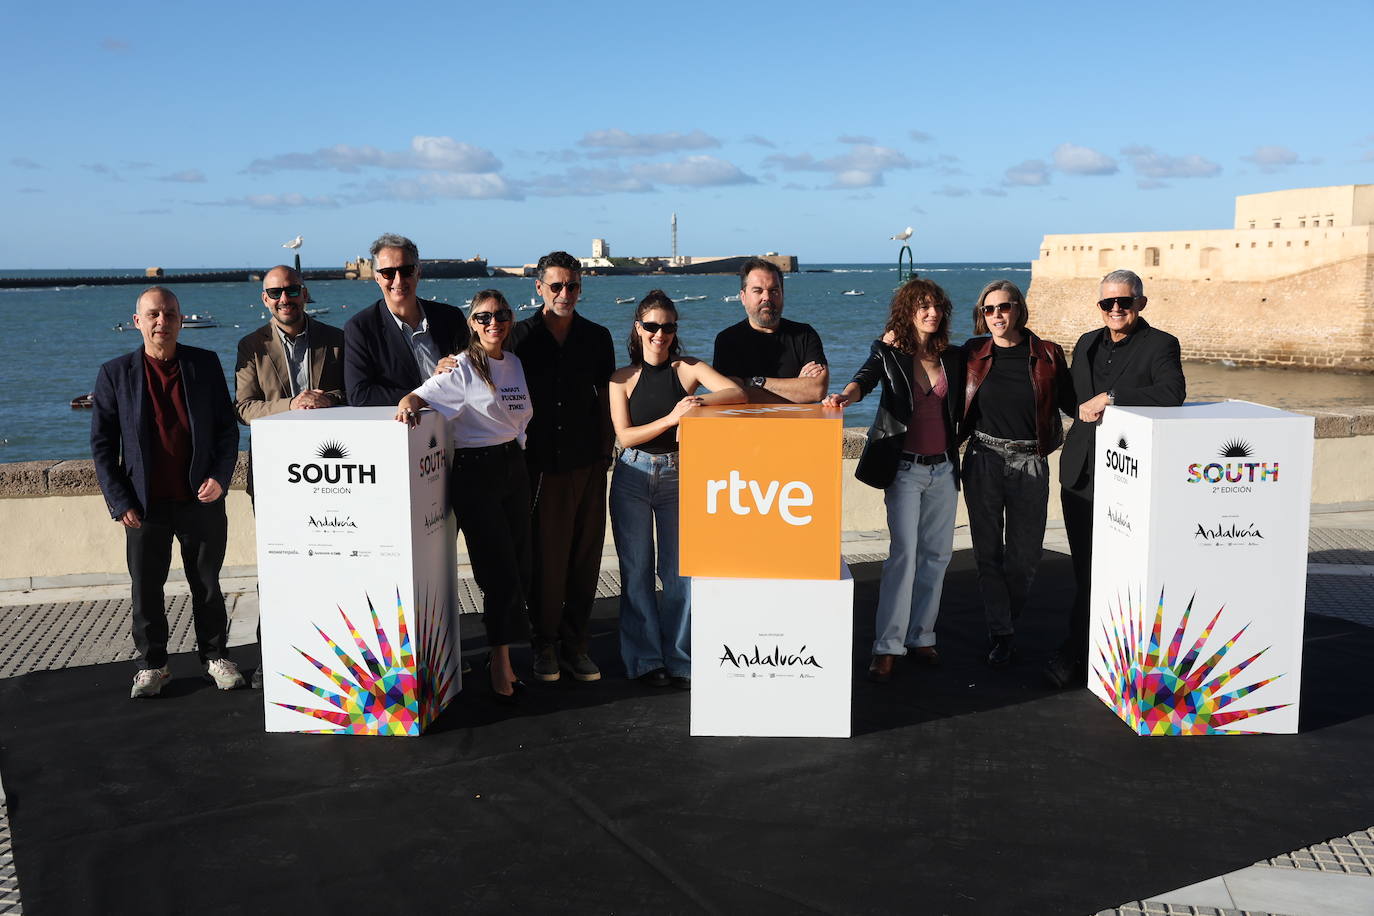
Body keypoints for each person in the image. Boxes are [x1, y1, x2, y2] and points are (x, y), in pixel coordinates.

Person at [90, 287, 243, 697]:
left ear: (180, 319)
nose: (163, 321)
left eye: (170, 314)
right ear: (138, 321)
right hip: (144, 504)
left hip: (201, 498)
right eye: (154, 314)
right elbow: (103, 446)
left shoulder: (204, 364)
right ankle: (154, 665)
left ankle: (214, 657)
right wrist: (120, 501)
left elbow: (228, 431)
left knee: (207, 584)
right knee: (146, 588)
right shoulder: (114, 373)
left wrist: (220, 476)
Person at [1046, 269, 1185, 688]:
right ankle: (1089, 649)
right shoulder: (1087, 343)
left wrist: (1112, 398)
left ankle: (1079, 653)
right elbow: (1072, 401)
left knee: (1122, 569)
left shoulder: (1161, 344)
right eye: (1108, 303)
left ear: (1141, 302)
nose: (1116, 309)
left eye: (1125, 301)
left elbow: (1171, 392)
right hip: (1080, 474)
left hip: (1130, 477)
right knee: (1086, 568)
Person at [823, 278, 966, 683]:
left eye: (937, 306)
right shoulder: (889, 351)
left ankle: (922, 636)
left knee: (937, 555)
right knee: (904, 555)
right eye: (923, 306)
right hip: (904, 468)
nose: (932, 313)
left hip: (943, 469)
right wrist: (844, 398)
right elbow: (865, 379)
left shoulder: (952, 357)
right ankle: (887, 646)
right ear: (908, 311)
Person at [396, 291, 532, 701]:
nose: (495, 322)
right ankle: (501, 660)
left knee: (520, 565)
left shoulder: (515, 363)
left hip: (513, 467)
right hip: (477, 473)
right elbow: (420, 395)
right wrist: (406, 405)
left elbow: (520, 418)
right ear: (472, 323)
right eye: (484, 316)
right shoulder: (462, 368)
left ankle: (501, 655)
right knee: (498, 571)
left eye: (502, 315)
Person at [609, 291, 745, 690]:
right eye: (652, 326)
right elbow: (625, 436)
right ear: (638, 328)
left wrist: (697, 405)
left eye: (668, 327)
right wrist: (673, 417)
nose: (660, 334)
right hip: (631, 478)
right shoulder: (621, 378)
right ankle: (646, 660)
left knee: (680, 573)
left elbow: (736, 393)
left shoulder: (688, 368)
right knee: (636, 574)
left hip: (678, 476)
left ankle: (681, 658)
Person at [235, 264, 347, 687]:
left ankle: (334, 651)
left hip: (334, 472)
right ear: (265, 298)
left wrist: (326, 399)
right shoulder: (250, 346)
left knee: (333, 564)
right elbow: (244, 408)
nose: (285, 299)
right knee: (280, 568)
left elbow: (354, 393)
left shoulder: (336, 341)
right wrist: (293, 404)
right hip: (276, 477)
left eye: (293, 291)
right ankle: (274, 654)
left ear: (305, 293)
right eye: (276, 293)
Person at [509, 251, 616, 683]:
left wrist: (606, 453)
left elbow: (609, 400)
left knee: (586, 559)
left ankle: (577, 645)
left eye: (572, 286)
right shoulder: (519, 336)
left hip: (587, 463)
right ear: (539, 288)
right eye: (556, 286)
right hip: (539, 466)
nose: (565, 294)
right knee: (547, 563)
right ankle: (545, 646)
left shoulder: (597, 337)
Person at [960, 280, 1074, 668]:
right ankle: (1002, 632)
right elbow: (927, 366)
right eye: (989, 310)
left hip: (1030, 461)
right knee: (987, 553)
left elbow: (1074, 402)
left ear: (1018, 309)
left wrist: (1114, 397)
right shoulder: (972, 353)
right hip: (983, 458)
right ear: (982, 314)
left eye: (1004, 307)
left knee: (1024, 557)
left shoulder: (1048, 354)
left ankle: (1006, 618)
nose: (996, 316)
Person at [343, 233, 470, 407]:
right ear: (377, 278)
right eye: (388, 273)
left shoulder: (450, 317)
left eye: (406, 271)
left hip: (457, 427)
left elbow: (474, 375)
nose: (398, 279)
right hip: (405, 429)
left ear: (418, 272)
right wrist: (426, 393)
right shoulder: (361, 328)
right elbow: (360, 394)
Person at [712, 257, 827, 403]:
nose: (766, 297)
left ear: (782, 294)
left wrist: (753, 382)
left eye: (774, 290)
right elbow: (732, 395)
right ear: (743, 297)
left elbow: (816, 390)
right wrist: (796, 388)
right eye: (758, 291)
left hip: (797, 425)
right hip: (746, 425)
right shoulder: (728, 340)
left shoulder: (804, 335)